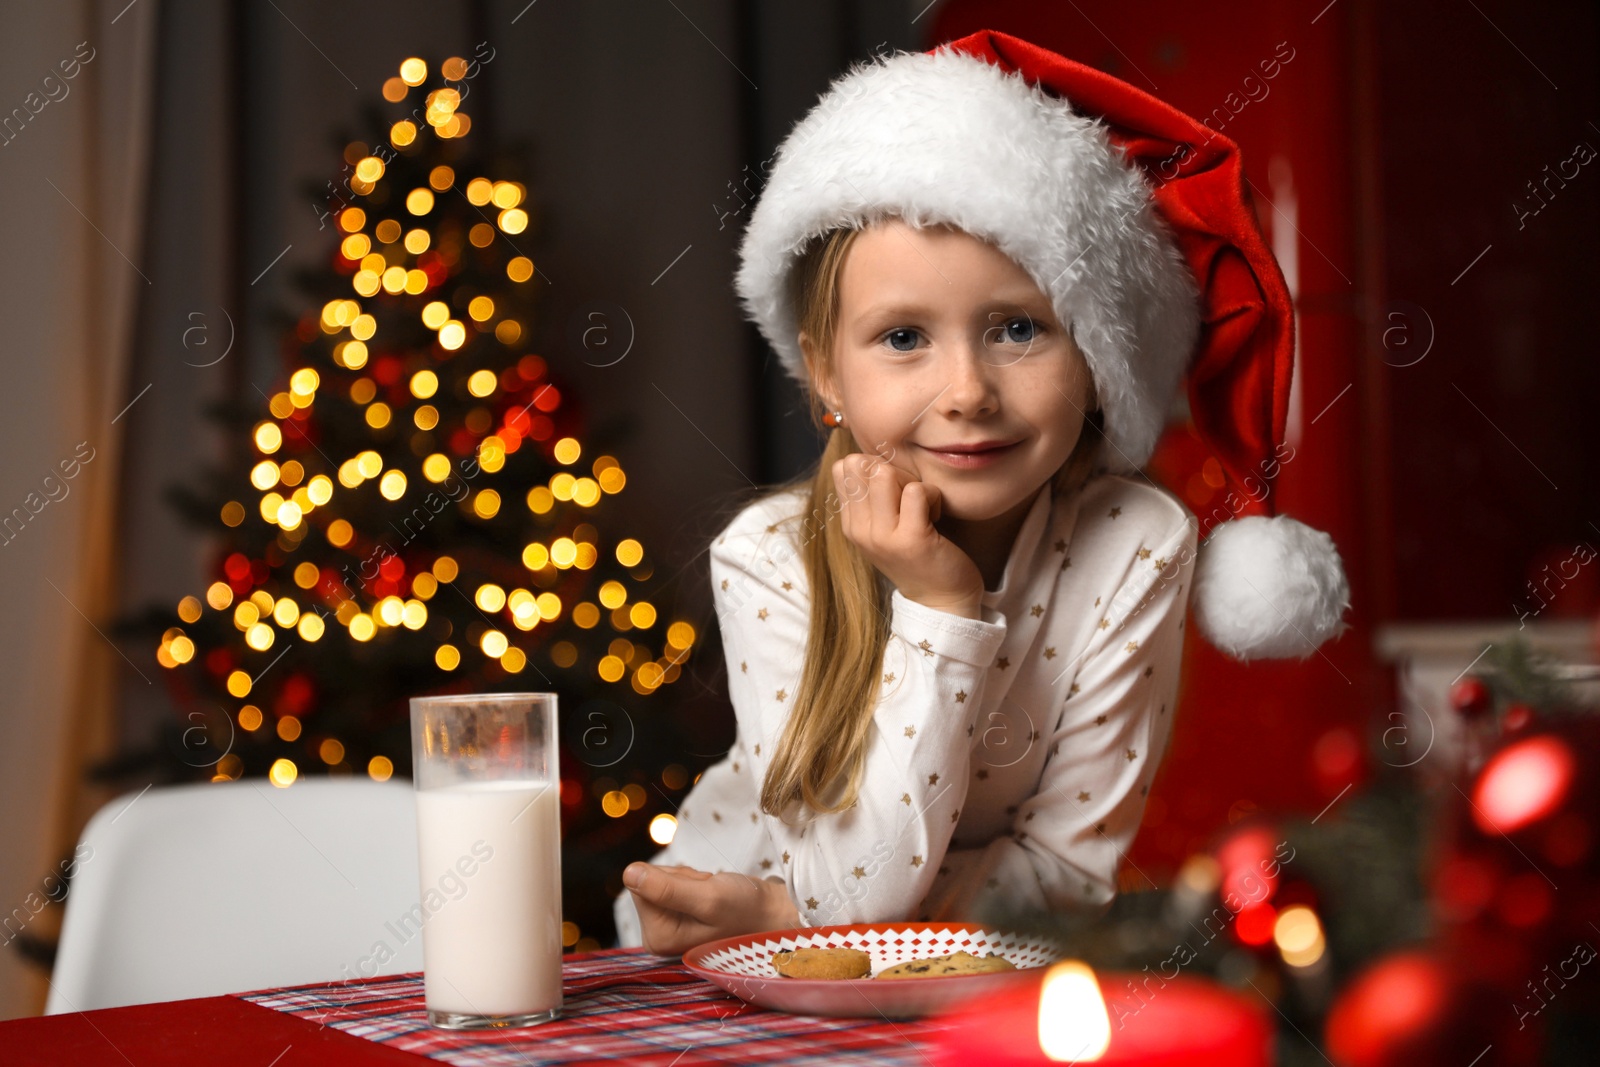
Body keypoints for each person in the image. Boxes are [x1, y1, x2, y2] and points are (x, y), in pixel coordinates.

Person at [614, 29, 1350, 955]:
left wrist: (800, 912)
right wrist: (942, 608)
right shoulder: (769, 557)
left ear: (1095, 355)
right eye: (903, 338)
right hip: (723, 949)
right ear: (825, 374)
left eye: (1015, 328)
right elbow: (845, 884)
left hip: (909, 953)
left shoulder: (1136, 543)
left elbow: (1064, 882)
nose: (966, 391)